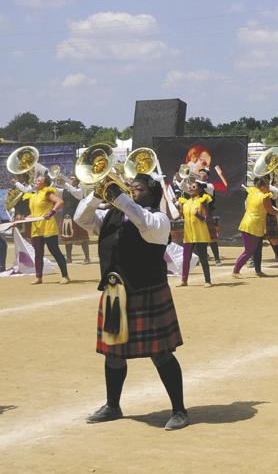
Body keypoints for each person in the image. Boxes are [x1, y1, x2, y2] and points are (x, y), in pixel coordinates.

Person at [74, 173, 188, 430]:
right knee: (113, 354)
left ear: (152, 193)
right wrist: (96, 193)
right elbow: (81, 218)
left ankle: (179, 410)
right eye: (129, 188)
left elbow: (141, 221)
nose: (130, 191)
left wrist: (119, 195)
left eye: (136, 189)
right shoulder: (111, 216)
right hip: (116, 291)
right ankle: (113, 406)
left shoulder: (158, 220)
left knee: (160, 353)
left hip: (146, 291)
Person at [18, 174, 69, 284]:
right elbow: (34, 214)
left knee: (55, 252)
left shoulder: (47, 192)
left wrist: (51, 212)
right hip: (36, 228)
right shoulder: (33, 196)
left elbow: (60, 202)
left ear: (45, 183)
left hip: (48, 227)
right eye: (37, 179)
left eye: (39, 180)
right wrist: (23, 219)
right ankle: (39, 277)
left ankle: (65, 276)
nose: (36, 180)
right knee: (38, 254)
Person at [232, 177, 278, 278]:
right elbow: (270, 210)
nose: (268, 188)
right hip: (254, 225)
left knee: (254, 249)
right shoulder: (264, 196)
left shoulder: (252, 192)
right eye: (267, 186)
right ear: (262, 187)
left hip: (247, 222)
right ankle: (236, 271)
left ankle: (257, 270)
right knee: (249, 251)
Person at [176, 181, 212, 287]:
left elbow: (206, 218)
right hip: (188, 235)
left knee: (203, 258)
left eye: (193, 186)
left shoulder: (202, 201)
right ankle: (184, 280)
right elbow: (180, 216)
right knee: (186, 258)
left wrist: (198, 215)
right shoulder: (186, 203)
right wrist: (178, 207)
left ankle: (207, 281)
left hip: (200, 234)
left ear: (199, 189)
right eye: (190, 187)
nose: (190, 188)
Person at [59, 176, 92, 264]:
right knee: (67, 238)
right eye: (71, 178)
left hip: (78, 216)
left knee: (83, 238)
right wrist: (51, 182)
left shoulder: (80, 189)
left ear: (77, 181)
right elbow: (56, 191)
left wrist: (65, 183)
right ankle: (69, 258)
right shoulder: (65, 190)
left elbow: (76, 194)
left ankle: (87, 258)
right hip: (67, 215)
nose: (71, 180)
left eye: (73, 179)